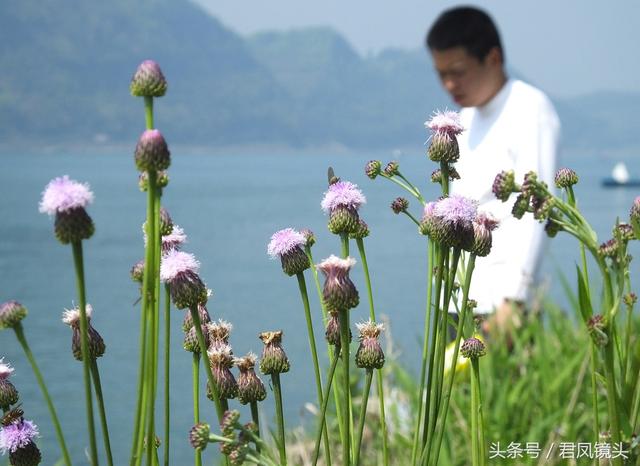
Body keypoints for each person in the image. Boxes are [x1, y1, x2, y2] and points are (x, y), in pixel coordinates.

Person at [426, 7, 561, 326]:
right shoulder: (465, 119)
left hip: (504, 308)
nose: (448, 84)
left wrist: (514, 300)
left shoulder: (530, 109)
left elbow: (538, 209)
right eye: (440, 73)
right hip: (457, 300)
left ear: (493, 58)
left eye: (457, 71)